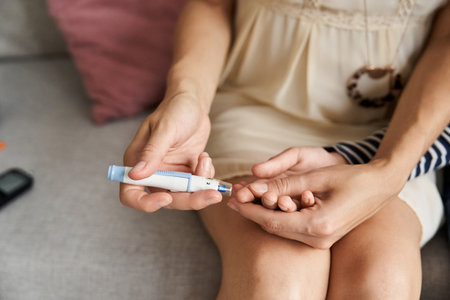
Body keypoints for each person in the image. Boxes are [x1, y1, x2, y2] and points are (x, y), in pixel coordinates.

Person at [121, 0, 450, 298]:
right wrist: (186, 95)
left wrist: (389, 170)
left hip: (399, 128)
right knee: (278, 279)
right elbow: (211, 4)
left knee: (382, 280)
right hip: (256, 108)